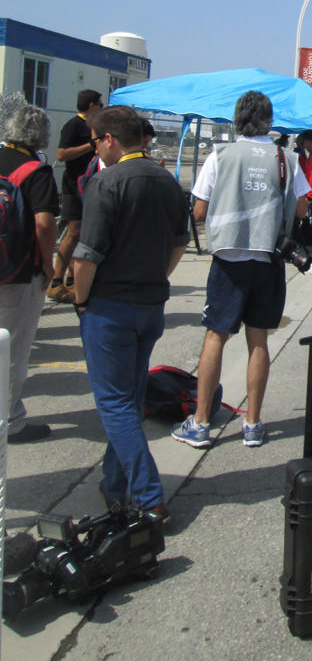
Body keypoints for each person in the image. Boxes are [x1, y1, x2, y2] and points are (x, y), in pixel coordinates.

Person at [172, 92, 309, 450]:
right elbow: (300, 210)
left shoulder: (220, 155)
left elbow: (199, 212)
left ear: (237, 118)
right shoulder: (287, 158)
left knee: (215, 336)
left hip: (228, 260)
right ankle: (252, 423)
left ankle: (200, 423)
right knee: (259, 340)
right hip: (269, 259)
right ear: (269, 120)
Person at [73, 106, 189, 522]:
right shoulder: (168, 182)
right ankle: (115, 483)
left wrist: (81, 300)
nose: (95, 147)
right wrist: (156, 276)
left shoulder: (105, 183)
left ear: (109, 140)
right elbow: (179, 244)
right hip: (150, 304)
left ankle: (147, 496)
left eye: (95, 140)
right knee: (130, 398)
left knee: (115, 403)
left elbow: (86, 256)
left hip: (110, 306)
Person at [0, 102, 59, 442]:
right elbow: (45, 222)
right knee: (13, 349)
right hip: (19, 272)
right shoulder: (35, 171)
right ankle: (11, 422)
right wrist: (48, 264)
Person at [48, 89, 103, 303]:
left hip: (89, 186)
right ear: (91, 105)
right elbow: (61, 154)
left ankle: (72, 280)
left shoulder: (93, 127)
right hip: (73, 186)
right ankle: (56, 280)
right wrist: (90, 146)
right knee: (73, 231)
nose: (101, 107)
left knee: (82, 234)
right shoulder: (74, 125)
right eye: (99, 104)